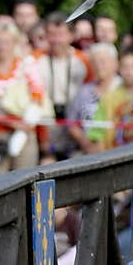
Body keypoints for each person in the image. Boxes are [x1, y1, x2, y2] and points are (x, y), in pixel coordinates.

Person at [0, 19, 47, 170]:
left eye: (7, 42)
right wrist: (13, 122)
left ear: (14, 43)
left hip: (25, 132)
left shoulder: (26, 65)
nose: (2, 47)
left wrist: (27, 120)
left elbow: (38, 92)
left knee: (24, 176)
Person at [34, 11, 92, 159]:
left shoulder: (83, 61)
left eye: (60, 34)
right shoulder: (36, 60)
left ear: (71, 36)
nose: (56, 40)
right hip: (47, 121)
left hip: (74, 121)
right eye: (51, 34)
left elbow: (90, 93)